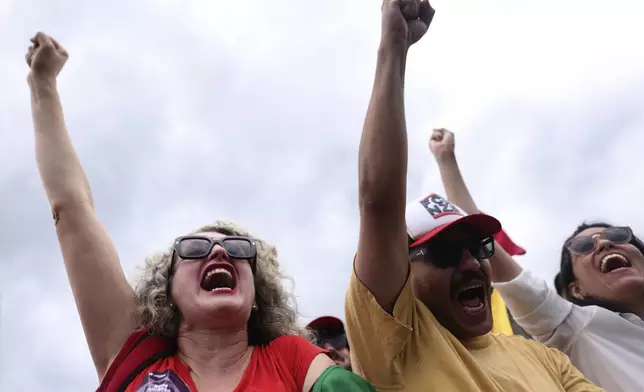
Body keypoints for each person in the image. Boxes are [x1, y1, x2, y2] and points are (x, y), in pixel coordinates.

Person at [26, 32, 375, 392]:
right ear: (167, 292)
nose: (220, 250)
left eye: (240, 249)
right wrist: (43, 83)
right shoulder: (131, 354)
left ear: (257, 295)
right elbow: (71, 209)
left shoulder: (292, 358)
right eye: (194, 249)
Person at [344, 1, 603, 390]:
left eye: (479, 246)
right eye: (446, 252)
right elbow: (379, 202)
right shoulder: (396, 345)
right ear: (402, 270)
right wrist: (394, 45)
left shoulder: (544, 359)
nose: (471, 263)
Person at [430, 127, 644, 392]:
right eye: (583, 246)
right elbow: (484, 241)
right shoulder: (581, 329)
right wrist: (445, 158)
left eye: (617, 234)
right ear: (577, 290)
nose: (604, 242)